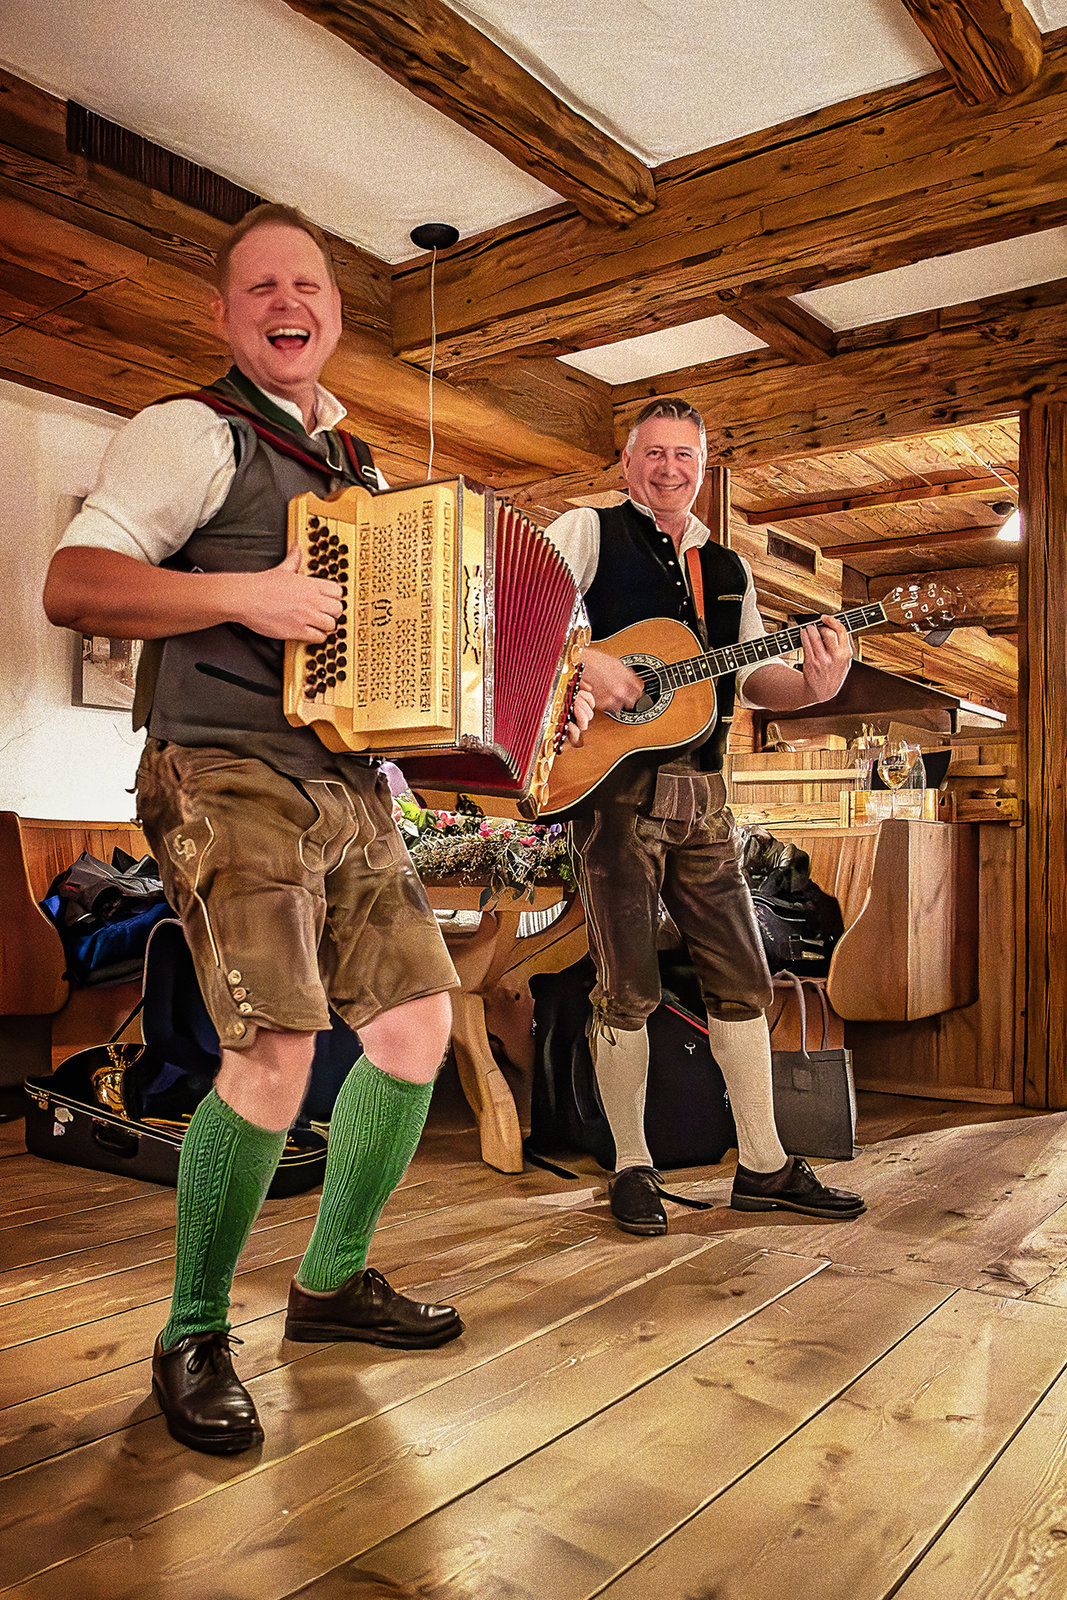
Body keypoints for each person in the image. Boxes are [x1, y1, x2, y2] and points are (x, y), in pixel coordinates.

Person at [41, 205, 485, 1456]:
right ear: (225, 313)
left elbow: (396, 661)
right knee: (279, 1046)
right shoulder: (188, 432)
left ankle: (331, 1283)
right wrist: (247, 595)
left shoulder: (363, 473)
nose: (287, 303)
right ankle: (191, 1327)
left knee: (414, 1028)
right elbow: (73, 584)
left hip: (346, 783)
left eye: (308, 286)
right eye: (259, 287)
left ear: (335, 313)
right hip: (220, 766)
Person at [545, 397, 865, 1237]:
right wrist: (593, 659)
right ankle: (631, 1167)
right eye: (652, 454)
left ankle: (762, 1165)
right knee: (626, 987)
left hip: (706, 795)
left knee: (744, 979)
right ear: (625, 463)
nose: (668, 469)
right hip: (611, 793)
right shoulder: (587, 530)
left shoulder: (726, 567)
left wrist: (820, 687)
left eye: (684, 456)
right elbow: (511, 613)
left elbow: (757, 681)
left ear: (702, 467)